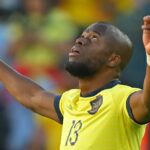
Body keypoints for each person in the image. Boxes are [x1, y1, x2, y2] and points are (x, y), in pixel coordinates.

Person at [0, 15, 150, 150]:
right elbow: (31, 96)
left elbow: (146, 102)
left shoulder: (121, 98)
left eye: (94, 38)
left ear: (113, 59)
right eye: (82, 35)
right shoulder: (70, 100)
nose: (80, 40)